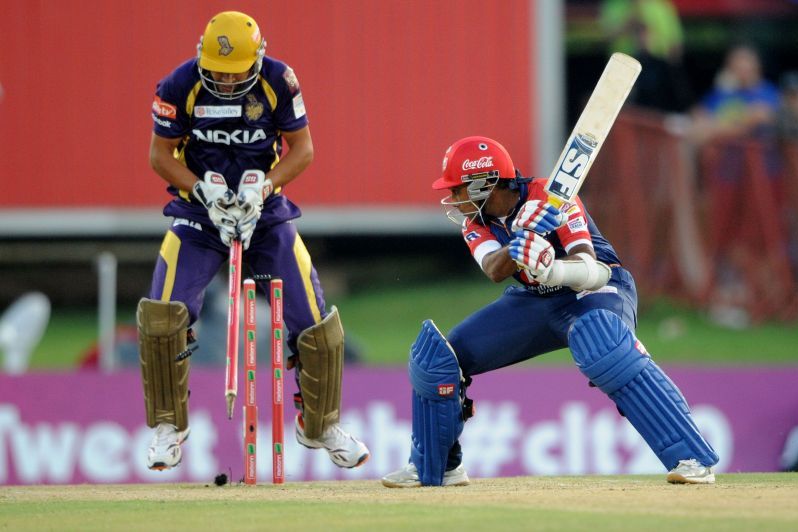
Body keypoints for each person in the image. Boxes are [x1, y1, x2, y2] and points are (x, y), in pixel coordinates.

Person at [381, 136, 718, 487]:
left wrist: (551, 266)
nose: (452, 199)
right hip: (538, 299)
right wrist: (522, 239)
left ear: (484, 185)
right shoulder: (475, 223)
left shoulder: (552, 195)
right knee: (439, 359)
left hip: (596, 290)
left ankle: (691, 457)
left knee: (603, 344)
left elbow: (591, 268)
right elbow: (495, 270)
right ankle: (437, 467)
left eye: (457, 190)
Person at [139, 11, 368, 471]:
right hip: (198, 214)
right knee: (164, 314)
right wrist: (200, 190)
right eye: (217, 70)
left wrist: (263, 187)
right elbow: (159, 155)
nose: (225, 80)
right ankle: (168, 425)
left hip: (264, 213)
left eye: (235, 71)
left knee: (317, 323)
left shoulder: (279, 81)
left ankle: (319, 425)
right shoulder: (177, 85)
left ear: (257, 59)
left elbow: (302, 149)